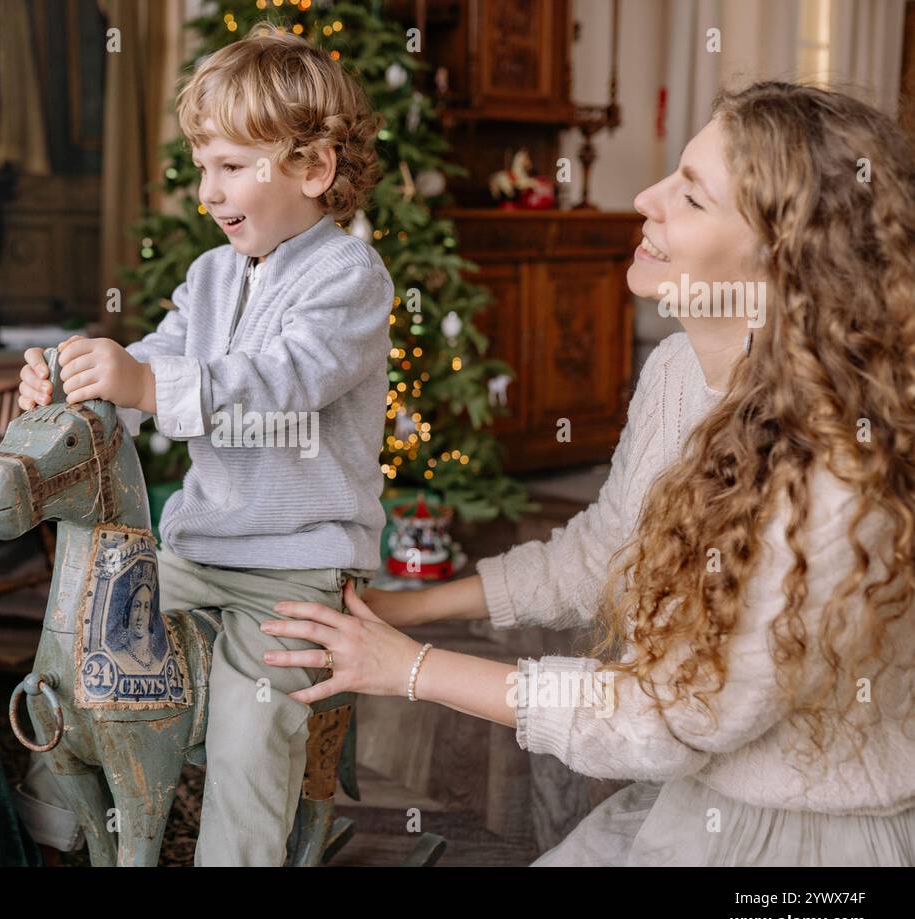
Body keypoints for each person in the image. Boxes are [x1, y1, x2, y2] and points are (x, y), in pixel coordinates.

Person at [263, 81, 915, 865]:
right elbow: (610, 547)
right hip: (706, 794)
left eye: (692, 197)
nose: (646, 198)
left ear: (784, 257)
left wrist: (414, 672)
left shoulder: (835, 477)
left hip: (811, 840)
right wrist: (413, 608)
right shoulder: (678, 370)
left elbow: (668, 716)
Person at [17, 25, 392, 865]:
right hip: (195, 548)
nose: (205, 191)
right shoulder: (214, 273)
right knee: (84, 646)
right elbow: (154, 361)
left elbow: (282, 382)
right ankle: (49, 829)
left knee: (249, 736)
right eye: (199, 166)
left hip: (294, 572)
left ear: (313, 169)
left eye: (228, 167)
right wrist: (80, 376)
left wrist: (147, 387)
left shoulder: (350, 280)